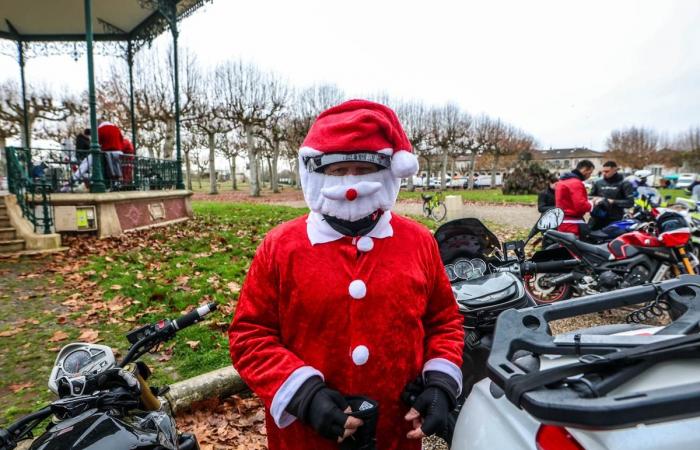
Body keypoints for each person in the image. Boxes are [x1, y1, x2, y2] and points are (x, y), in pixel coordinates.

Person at [228, 100, 464, 450]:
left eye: (362, 168)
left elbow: (444, 321)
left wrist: (441, 381)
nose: (351, 183)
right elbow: (250, 334)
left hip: (395, 434)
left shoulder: (418, 242)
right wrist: (302, 394)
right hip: (306, 437)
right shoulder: (280, 246)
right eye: (338, 170)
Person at [588, 161, 635, 230]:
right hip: (597, 218)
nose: (604, 173)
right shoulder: (598, 183)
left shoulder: (625, 183)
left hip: (614, 219)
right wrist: (595, 199)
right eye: (603, 171)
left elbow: (630, 202)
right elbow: (589, 197)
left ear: (615, 170)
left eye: (607, 171)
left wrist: (613, 201)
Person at [555, 160, 594, 237]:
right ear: (585, 170)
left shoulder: (562, 181)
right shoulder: (576, 183)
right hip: (572, 224)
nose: (589, 176)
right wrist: (592, 204)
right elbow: (581, 206)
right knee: (572, 248)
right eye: (590, 173)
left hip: (562, 222)